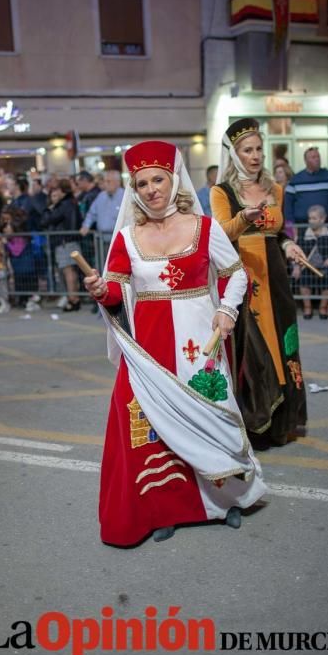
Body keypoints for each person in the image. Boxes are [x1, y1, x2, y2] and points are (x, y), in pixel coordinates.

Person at [83, 140, 266, 547]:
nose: (151, 189)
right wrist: (99, 288)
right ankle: (163, 508)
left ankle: (225, 501)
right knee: (152, 428)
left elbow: (235, 273)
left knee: (212, 416)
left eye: (157, 179)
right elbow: (115, 293)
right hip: (149, 353)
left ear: (173, 180)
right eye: (142, 183)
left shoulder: (203, 227)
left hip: (201, 342)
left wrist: (228, 311)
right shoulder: (128, 239)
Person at [210, 118, 307, 448]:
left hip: (276, 275)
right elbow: (220, 234)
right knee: (252, 352)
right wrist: (244, 217)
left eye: (258, 149)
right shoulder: (221, 192)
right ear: (234, 155)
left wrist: (289, 245)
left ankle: (285, 421)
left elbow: (278, 231)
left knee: (284, 343)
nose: (255, 156)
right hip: (244, 276)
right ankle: (256, 425)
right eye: (247, 150)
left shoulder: (275, 189)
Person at [292, 205, 328, 320]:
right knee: (304, 279)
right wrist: (296, 267)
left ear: (323, 219)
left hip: (325, 266)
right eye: (310, 218)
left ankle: (323, 308)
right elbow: (297, 252)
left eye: (314, 218)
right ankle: (307, 308)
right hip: (308, 266)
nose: (311, 221)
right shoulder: (304, 232)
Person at [41, 179, 82, 311]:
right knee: (71, 271)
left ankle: (72, 299)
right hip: (71, 240)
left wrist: (50, 208)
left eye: (57, 190)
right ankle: (74, 298)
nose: (55, 193)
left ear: (61, 190)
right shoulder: (72, 202)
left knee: (68, 271)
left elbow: (50, 219)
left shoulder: (64, 204)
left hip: (65, 241)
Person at [284, 147, 328, 225]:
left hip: (327, 225)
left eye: (318, 156)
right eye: (313, 157)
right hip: (302, 226)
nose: (317, 159)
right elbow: (288, 206)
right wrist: (290, 226)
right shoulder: (296, 180)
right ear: (305, 161)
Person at [79, 170, 123, 242]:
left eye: (108, 181)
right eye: (105, 181)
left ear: (117, 182)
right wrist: (86, 226)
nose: (105, 184)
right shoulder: (101, 196)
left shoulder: (125, 197)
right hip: (102, 241)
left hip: (119, 241)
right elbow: (92, 213)